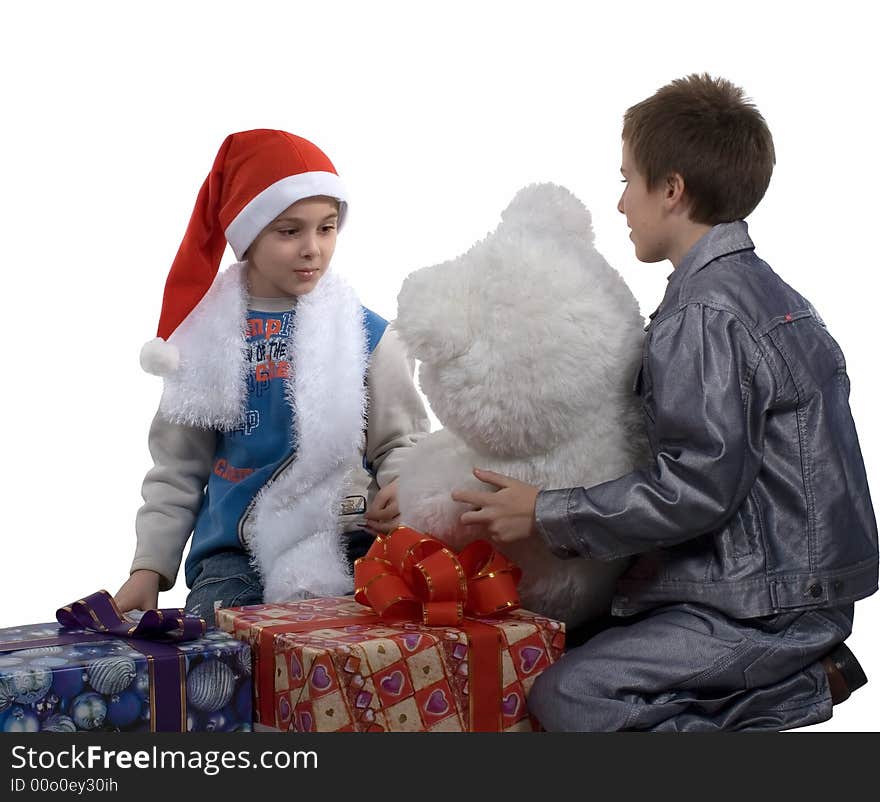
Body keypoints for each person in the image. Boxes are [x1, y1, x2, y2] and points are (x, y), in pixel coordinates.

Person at [452, 74, 878, 731]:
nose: (621, 204)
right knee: (579, 643)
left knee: (570, 697)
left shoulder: (705, 314)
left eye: (627, 180)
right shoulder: (767, 293)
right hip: (789, 585)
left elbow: (697, 488)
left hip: (766, 602)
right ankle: (800, 686)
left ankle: (794, 691)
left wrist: (549, 512)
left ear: (671, 190)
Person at [114, 129, 430, 619]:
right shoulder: (202, 341)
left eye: (326, 228)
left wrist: (402, 496)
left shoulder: (367, 336)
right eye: (290, 231)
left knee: (344, 661)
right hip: (234, 553)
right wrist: (148, 570)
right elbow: (178, 469)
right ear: (247, 235)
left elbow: (399, 443)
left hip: (347, 538)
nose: (313, 249)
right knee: (221, 665)